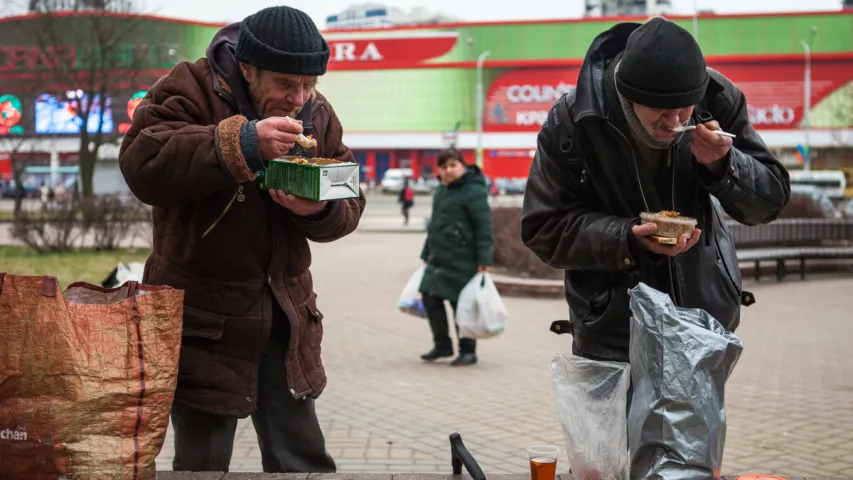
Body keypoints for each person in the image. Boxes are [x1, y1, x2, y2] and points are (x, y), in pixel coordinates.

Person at [118, 6, 366, 474]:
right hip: (203, 319)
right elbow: (143, 164)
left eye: (309, 83)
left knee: (302, 458)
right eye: (285, 85)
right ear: (247, 68)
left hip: (286, 319)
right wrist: (242, 143)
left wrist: (321, 208)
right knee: (203, 463)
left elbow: (350, 197)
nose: (299, 97)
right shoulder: (188, 87)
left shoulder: (317, 111)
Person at [521, 18, 790, 363]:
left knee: (695, 419)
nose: (676, 121)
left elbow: (771, 203)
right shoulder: (573, 121)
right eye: (661, 109)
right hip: (613, 329)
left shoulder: (717, 98)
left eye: (684, 107)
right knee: (621, 420)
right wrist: (627, 239)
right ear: (627, 95)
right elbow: (543, 227)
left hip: (703, 320)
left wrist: (725, 166)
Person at [419, 148, 494, 366]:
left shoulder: (474, 191)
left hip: (464, 258)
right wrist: (426, 253)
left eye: (453, 165)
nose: (448, 171)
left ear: (462, 165)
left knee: (462, 305)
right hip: (439, 258)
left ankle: (468, 351)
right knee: (429, 297)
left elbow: (484, 228)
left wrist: (484, 259)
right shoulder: (441, 191)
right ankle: (442, 345)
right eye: (443, 167)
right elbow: (435, 225)